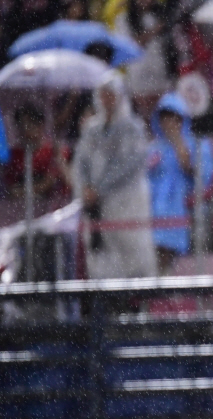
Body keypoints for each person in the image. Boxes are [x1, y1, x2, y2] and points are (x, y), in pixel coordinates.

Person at [73, 71, 157, 279]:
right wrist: (86, 187)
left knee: (133, 249)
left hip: (127, 203)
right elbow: (81, 161)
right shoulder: (91, 130)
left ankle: (139, 301)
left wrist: (100, 188)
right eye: (103, 95)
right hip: (98, 205)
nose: (107, 100)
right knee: (101, 253)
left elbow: (130, 165)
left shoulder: (133, 129)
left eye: (111, 94)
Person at [148, 92, 213, 275]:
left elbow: (203, 178)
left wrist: (180, 147)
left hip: (187, 212)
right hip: (152, 214)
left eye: (174, 118)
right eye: (165, 118)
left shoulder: (199, 145)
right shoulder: (153, 148)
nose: (169, 123)